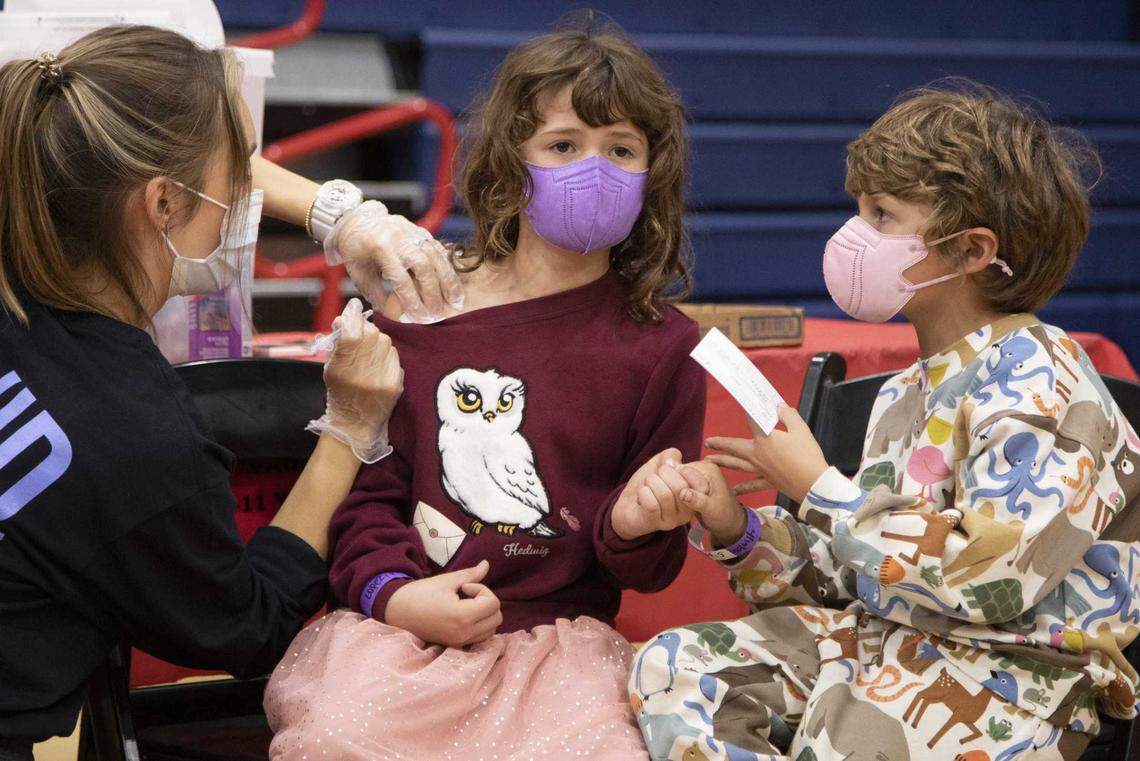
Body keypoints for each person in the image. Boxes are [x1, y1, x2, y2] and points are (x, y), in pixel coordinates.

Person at [631, 82, 1140, 760]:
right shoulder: (906, 390)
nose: (853, 234)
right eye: (858, 209)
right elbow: (860, 575)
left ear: (971, 250)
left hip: (1019, 682)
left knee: (846, 738)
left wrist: (820, 488)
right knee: (675, 665)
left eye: (882, 215)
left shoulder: (1046, 377)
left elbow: (990, 581)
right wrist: (738, 528)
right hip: (887, 641)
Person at [263, 24, 706, 759]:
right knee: (338, 734)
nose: (594, 168)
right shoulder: (419, 312)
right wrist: (398, 595)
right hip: (399, 632)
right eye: (564, 145)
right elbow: (365, 498)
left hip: (558, 654)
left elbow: (649, 568)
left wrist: (637, 524)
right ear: (509, 168)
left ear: (652, 175)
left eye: (621, 149)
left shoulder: (664, 346)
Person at [0, 25, 428, 759]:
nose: (240, 201)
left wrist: (338, 214)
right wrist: (347, 428)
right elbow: (249, 626)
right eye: (232, 180)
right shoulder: (133, 438)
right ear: (163, 203)